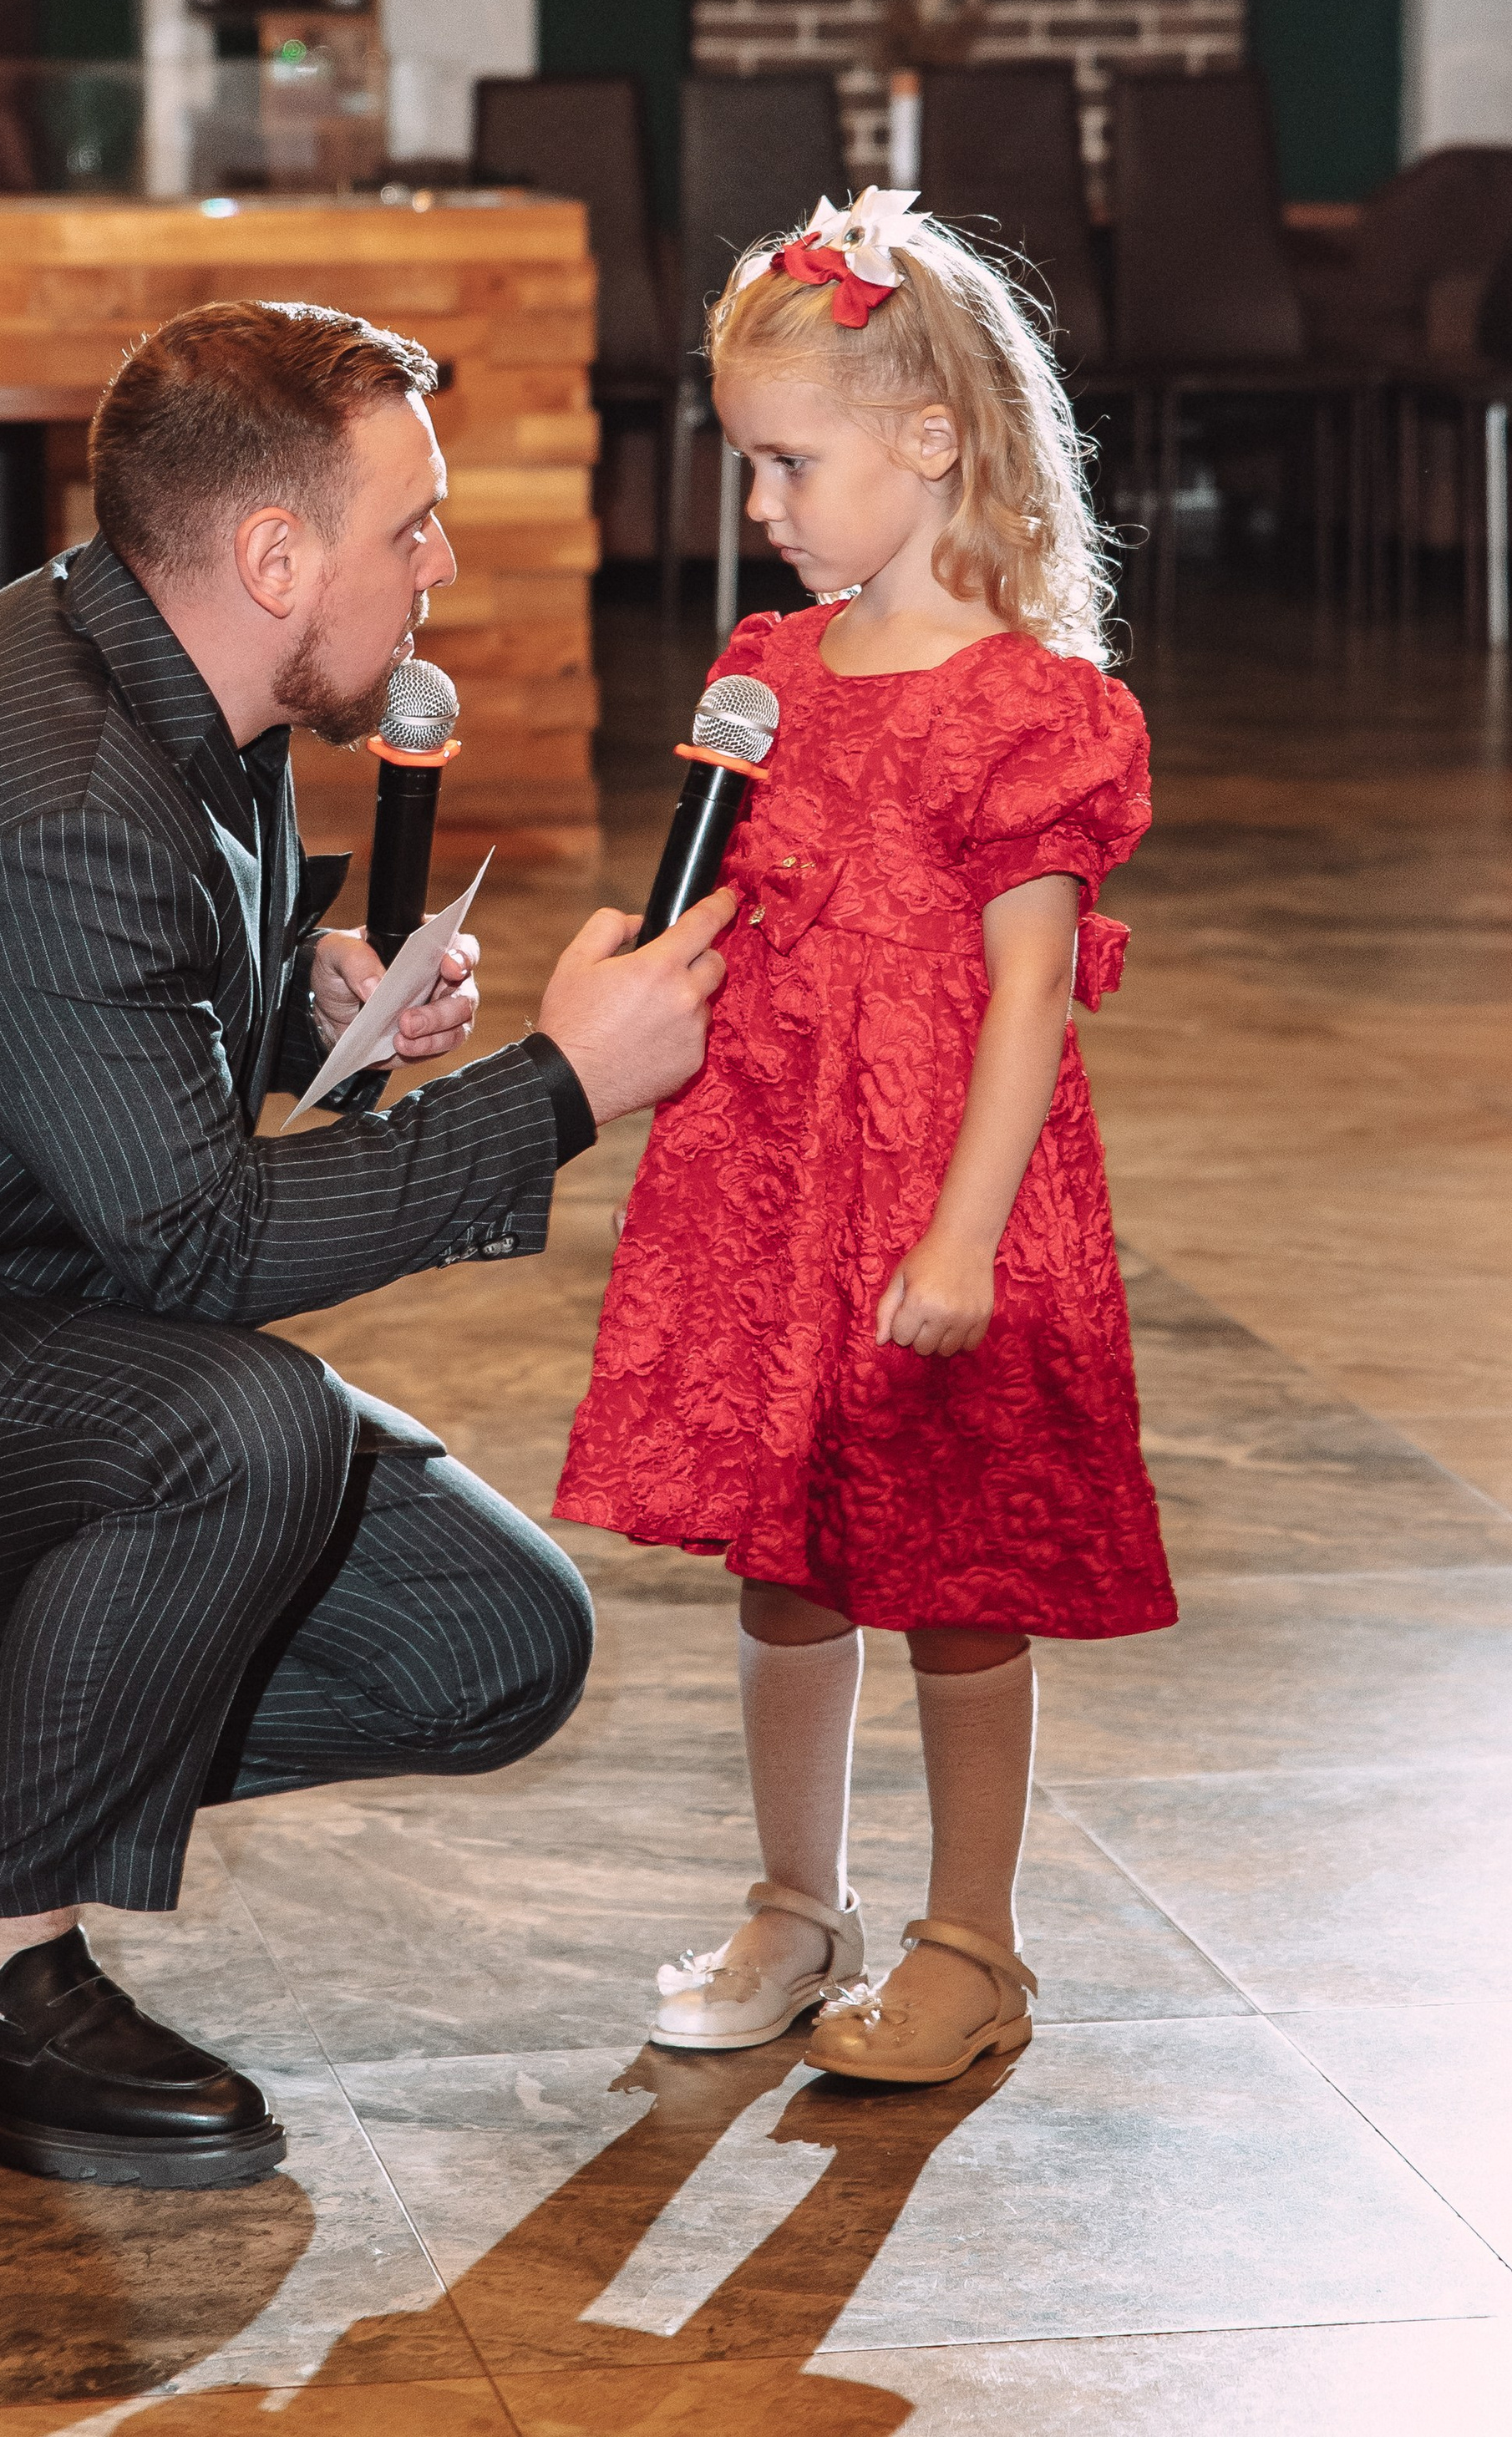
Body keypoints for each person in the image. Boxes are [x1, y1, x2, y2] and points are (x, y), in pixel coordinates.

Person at [0, 297, 731, 2191]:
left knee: (496, 1642)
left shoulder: (172, 661)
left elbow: (90, 1010)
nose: (437, 562)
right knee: (240, 1426)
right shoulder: (63, 789)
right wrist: (559, 1087)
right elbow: (190, 1236)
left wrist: (298, 994)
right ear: (274, 557)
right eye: (407, 525)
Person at [556, 191, 1175, 2088]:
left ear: (927, 437)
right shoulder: (769, 665)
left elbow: (1023, 993)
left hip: (931, 1181)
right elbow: (728, 903)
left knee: (955, 1561)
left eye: (785, 463)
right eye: (744, 463)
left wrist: (966, 1233)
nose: (760, 505)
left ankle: (968, 1934)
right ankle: (789, 1894)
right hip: (770, 1168)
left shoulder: (1026, 711)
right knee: (783, 1552)